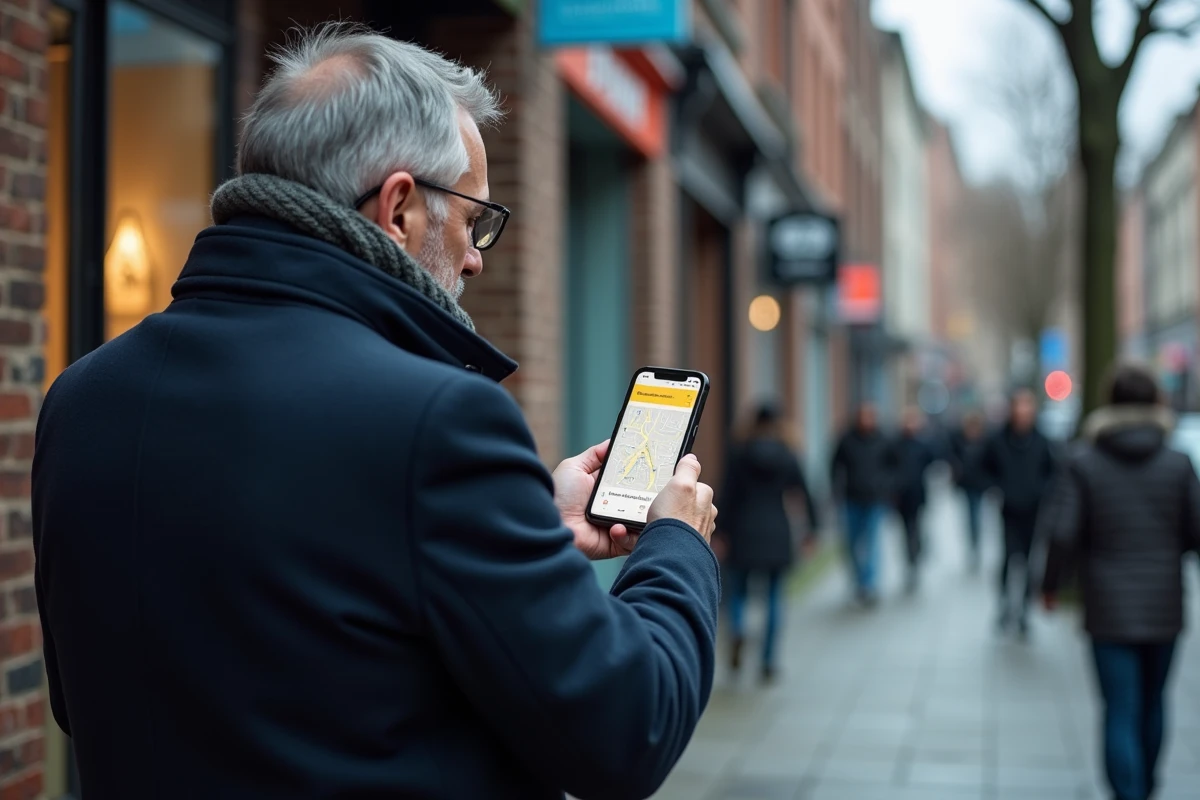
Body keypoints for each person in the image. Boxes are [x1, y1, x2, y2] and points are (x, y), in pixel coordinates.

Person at [32, 25, 720, 800]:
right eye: (473, 218)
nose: (476, 256)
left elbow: (80, 697)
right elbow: (630, 728)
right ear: (398, 209)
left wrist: (526, 522)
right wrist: (675, 545)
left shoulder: (80, 397)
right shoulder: (439, 422)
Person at [1040, 364, 1200, 800]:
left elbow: (1063, 532)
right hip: (1165, 604)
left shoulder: (1083, 461)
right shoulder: (1178, 463)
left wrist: (1050, 584)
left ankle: (1125, 793)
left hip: (1108, 607)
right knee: (1154, 701)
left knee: (1119, 707)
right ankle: (1146, 787)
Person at [718, 404, 819, 683]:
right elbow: (805, 493)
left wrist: (720, 532)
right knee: (775, 596)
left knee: (738, 592)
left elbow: (727, 495)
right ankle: (768, 661)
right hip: (777, 531)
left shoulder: (739, 454)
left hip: (742, 531)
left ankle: (738, 630)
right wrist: (812, 530)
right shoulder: (788, 455)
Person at [982, 388, 1056, 637]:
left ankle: (1024, 610)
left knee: (1029, 561)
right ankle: (1004, 606)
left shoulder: (1042, 441)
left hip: (1034, 511)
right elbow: (981, 466)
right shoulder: (998, 440)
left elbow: (1053, 472)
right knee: (1008, 558)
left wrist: (1042, 491)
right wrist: (997, 487)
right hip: (1009, 510)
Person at [831, 403, 894, 605]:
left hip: (875, 499)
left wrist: (886, 485)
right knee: (851, 543)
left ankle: (869, 584)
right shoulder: (847, 440)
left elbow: (895, 465)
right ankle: (859, 579)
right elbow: (834, 465)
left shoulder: (883, 440)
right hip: (851, 499)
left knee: (873, 543)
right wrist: (836, 490)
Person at [889, 407, 936, 594]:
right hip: (901, 495)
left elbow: (933, 460)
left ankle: (916, 554)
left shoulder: (923, 444)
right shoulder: (895, 445)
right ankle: (910, 558)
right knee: (905, 529)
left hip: (918, 493)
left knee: (915, 527)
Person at [950, 410, 992, 572]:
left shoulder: (985, 441)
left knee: (976, 514)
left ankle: (976, 543)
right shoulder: (959, 439)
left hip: (979, 484)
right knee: (971, 514)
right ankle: (973, 543)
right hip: (967, 484)